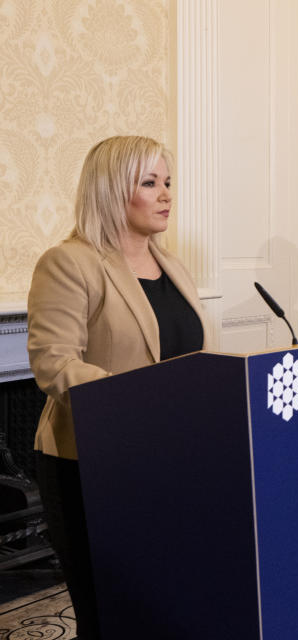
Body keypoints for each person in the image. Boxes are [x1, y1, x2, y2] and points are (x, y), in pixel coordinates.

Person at [27, 136, 210, 639]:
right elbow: (54, 363)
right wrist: (143, 404)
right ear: (111, 190)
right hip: (90, 463)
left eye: (167, 182)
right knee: (109, 613)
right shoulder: (70, 262)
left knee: (164, 600)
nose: (166, 194)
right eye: (149, 183)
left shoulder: (171, 264)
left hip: (170, 458)